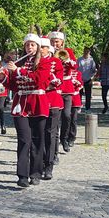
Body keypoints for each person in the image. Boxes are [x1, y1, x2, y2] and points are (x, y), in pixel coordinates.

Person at [6, 33, 51, 188]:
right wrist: (3, 77)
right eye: (27, 45)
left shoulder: (44, 62)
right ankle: (22, 175)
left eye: (32, 45)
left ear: (37, 47)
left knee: (38, 140)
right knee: (24, 140)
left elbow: (39, 79)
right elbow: (12, 85)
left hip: (38, 102)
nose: (29, 47)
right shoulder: (21, 63)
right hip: (21, 104)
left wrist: (18, 71)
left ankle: (36, 173)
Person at [39, 38, 63, 180]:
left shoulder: (56, 62)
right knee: (38, 133)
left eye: (43, 47)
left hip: (52, 99)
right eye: (39, 47)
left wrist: (51, 80)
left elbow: (58, 82)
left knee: (50, 133)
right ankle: (39, 163)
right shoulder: (32, 62)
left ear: (48, 48)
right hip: (37, 101)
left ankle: (49, 165)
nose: (41, 50)